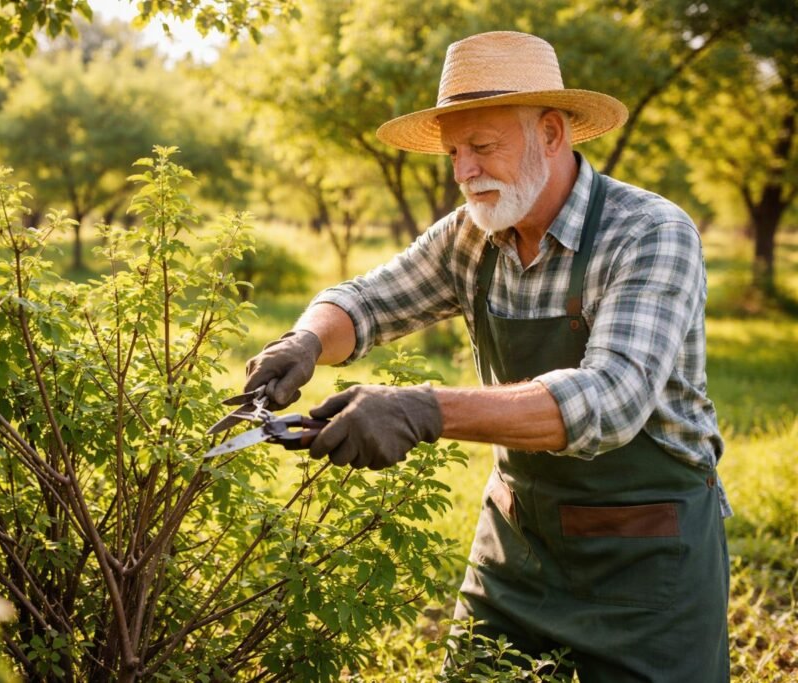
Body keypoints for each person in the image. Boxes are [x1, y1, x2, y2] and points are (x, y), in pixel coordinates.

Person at [242, 31, 731, 682]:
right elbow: (367, 301)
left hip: (647, 558)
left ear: (552, 133)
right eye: (453, 153)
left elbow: (611, 399)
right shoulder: (473, 236)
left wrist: (422, 407)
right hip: (518, 548)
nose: (464, 171)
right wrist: (304, 338)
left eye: (483, 147)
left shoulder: (649, 233)